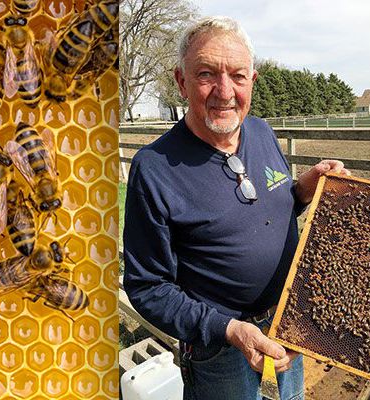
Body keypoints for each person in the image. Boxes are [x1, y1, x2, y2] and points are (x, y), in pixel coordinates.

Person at [122, 16, 350, 400]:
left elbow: (263, 212)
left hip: (288, 323)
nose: (224, 91)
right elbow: (147, 286)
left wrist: (302, 190)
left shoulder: (261, 131)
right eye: (207, 74)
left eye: (238, 76)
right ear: (181, 81)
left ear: (252, 82)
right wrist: (228, 329)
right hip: (219, 347)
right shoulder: (155, 168)